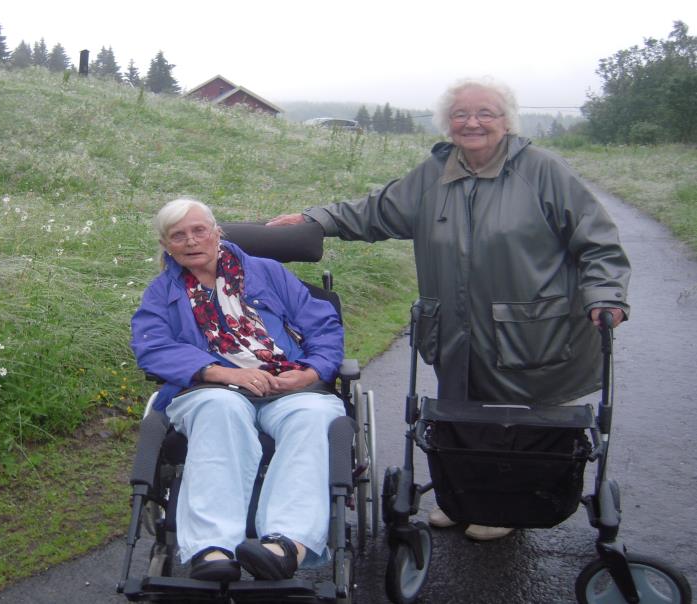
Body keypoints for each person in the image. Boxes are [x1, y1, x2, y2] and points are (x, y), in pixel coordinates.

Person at [268, 77, 630, 541]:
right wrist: (316, 218)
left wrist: (606, 296)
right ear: (447, 122)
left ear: (506, 121)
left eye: (486, 114)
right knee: (457, 411)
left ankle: (506, 505)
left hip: (528, 330)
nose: (472, 123)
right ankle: (461, 497)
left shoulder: (542, 171)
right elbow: (376, 211)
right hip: (455, 327)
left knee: (515, 418)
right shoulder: (435, 173)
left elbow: (597, 241)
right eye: (461, 114)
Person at [131, 198, 346, 582]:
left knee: (314, 416)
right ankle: (212, 549)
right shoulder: (162, 293)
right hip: (211, 390)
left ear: (217, 233)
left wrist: (310, 372)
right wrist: (216, 372)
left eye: (199, 230)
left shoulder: (268, 273)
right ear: (167, 246)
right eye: (178, 235)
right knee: (220, 409)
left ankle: (285, 546)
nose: (191, 241)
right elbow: (152, 346)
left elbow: (323, 327)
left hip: (287, 385)